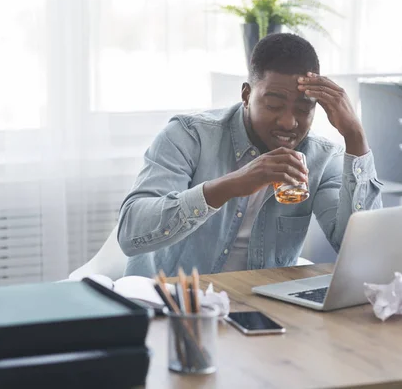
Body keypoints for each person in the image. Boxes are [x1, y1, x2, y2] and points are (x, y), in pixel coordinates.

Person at [117, 33, 382, 277]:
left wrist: (355, 137)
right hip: (174, 304)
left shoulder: (322, 158)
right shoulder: (190, 135)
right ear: (246, 94)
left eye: (303, 109)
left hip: (263, 309)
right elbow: (131, 233)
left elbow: (363, 252)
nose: (289, 122)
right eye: (274, 105)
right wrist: (230, 185)